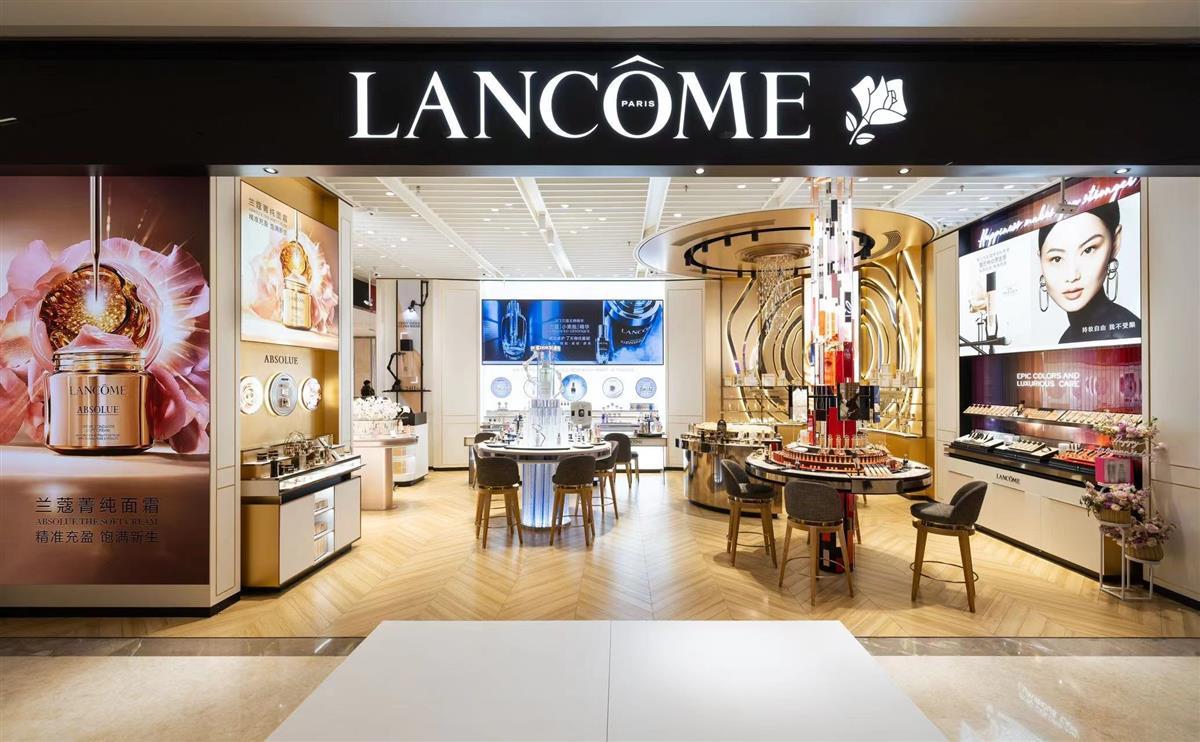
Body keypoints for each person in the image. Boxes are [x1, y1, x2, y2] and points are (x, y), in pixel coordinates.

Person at [1037, 200, 1139, 344]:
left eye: (1088, 250)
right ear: (1040, 261)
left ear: (1115, 242)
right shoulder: (1068, 337)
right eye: (1057, 258)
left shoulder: (1124, 335)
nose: (1072, 276)